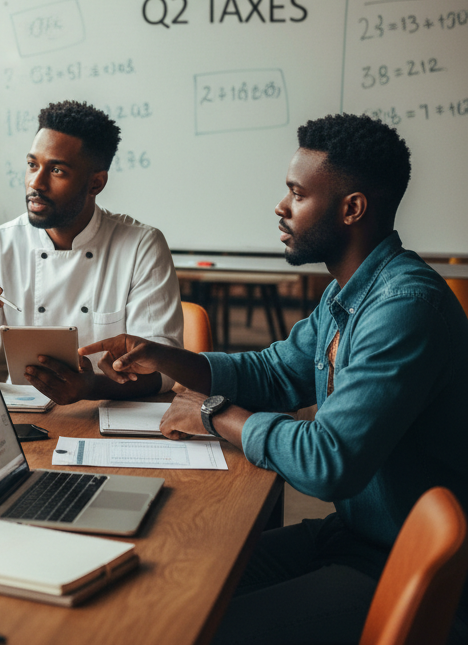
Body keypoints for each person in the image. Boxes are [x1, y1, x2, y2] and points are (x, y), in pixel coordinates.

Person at [82, 113, 468, 645]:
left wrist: (215, 415)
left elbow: (328, 460)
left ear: (352, 208)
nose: (281, 207)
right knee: (175, 574)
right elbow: (275, 371)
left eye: (297, 194)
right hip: (355, 537)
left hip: (402, 568)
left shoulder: (405, 308)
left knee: (189, 625)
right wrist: (164, 356)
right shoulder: (350, 291)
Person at [0, 99, 183, 403]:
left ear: (96, 183)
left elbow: (166, 373)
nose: (35, 183)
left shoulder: (141, 246)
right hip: (19, 417)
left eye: (57, 170)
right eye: (32, 165)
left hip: (104, 416)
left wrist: (91, 388)